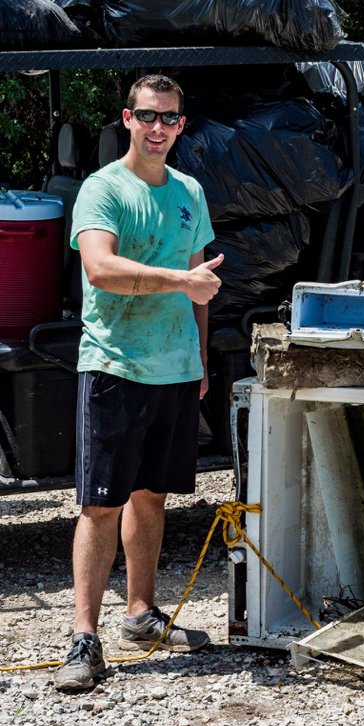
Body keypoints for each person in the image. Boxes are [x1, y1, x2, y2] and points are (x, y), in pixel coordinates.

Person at [55, 74, 224, 692]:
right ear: (127, 119)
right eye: (148, 117)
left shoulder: (190, 192)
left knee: (151, 496)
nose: (159, 129)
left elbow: (199, 278)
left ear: (182, 125)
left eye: (171, 119)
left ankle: (141, 615)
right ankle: (83, 639)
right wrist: (182, 283)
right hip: (115, 367)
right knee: (100, 504)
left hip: (176, 370)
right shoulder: (104, 190)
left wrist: (200, 357)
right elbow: (99, 268)